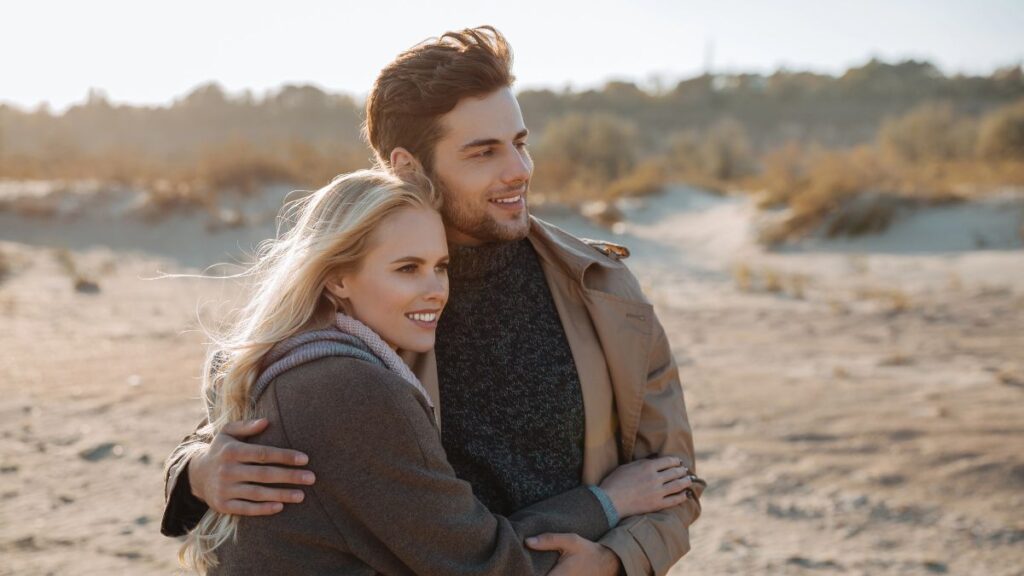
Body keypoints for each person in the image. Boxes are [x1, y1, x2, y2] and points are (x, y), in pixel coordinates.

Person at [164, 27, 705, 575]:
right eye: (483, 152)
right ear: (407, 167)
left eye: (519, 142)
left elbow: (672, 478)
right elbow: (246, 411)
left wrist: (614, 562)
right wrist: (197, 470)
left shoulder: (601, 286)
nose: (519, 169)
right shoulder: (353, 296)